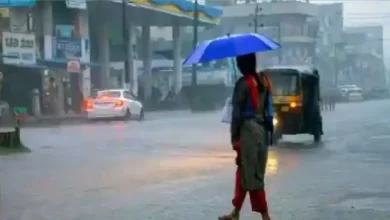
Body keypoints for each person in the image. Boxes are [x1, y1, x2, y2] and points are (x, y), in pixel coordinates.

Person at [219, 53, 272, 220]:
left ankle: (265, 215)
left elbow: (236, 114)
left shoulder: (243, 84)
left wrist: (234, 138)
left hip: (248, 131)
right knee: (245, 171)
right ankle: (236, 213)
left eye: (238, 62)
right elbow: (269, 109)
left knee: (251, 174)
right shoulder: (264, 81)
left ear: (242, 65)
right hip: (262, 131)